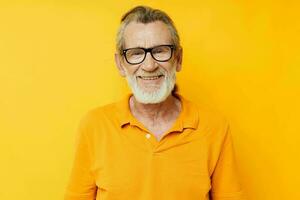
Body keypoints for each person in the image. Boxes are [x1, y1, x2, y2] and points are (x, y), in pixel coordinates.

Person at [64, 5, 244, 200]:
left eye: (160, 51)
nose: (149, 65)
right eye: (136, 53)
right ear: (120, 64)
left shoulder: (214, 127)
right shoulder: (94, 126)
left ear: (179, 58)